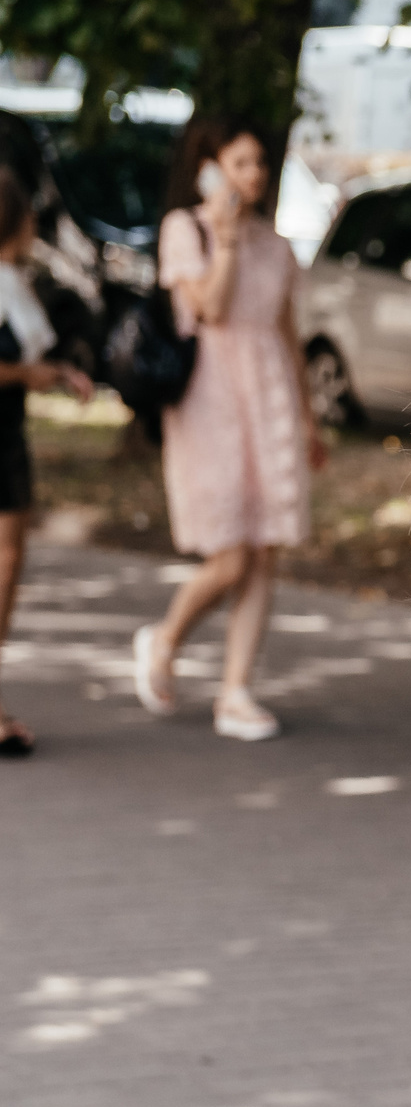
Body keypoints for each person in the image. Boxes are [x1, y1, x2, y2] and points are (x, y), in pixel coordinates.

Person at [133, 118, 324, 741]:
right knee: (230, 555)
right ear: (210, 168)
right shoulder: (185, 230)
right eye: (242, 162)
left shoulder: (279, 245)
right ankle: (164, 640)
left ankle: (236, 691)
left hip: (267, 399)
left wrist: (307, 416)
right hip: (211, 403)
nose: (256, 174)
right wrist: (227, 239)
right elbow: (210, 308)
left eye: (261, 163)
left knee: (264, 550)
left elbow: (288, 337)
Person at [0, 170, 95, 754]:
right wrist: (33, 373)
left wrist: (56, 373)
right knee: (6, 560)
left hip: (8, 434)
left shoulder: (14, 282)